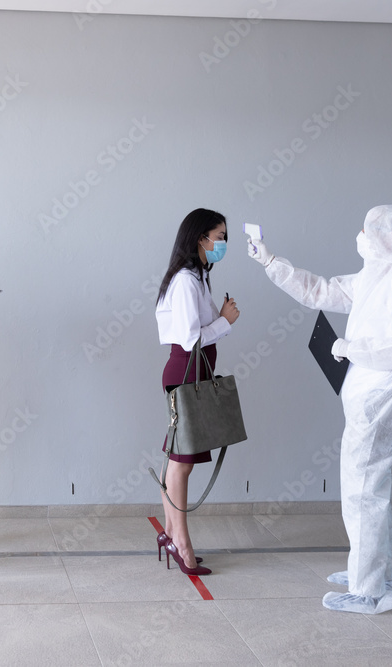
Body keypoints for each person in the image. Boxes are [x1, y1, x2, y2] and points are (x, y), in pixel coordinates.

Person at [248, 204, 392, 614]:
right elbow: (322, 291)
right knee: (376, 486)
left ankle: (367, 590)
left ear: (387, 235)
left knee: (364, 487)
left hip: (381, 392)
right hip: (367, 392)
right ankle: (376, 572)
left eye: (367, 228)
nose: (360, 234)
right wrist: (272, 262)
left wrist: (352, 348)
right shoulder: (376, 275)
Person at [154, 208, 240, 576]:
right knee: (182, 465)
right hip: (186, 371)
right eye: (219, 236)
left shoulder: (197, 277)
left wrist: (219, 317)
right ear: (200, 238)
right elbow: (190, 340)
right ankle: (182, 543)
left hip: (195, 373)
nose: (223, 243)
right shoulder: (188, 280)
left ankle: (173, 534)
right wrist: (225, 321)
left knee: (177, 461)